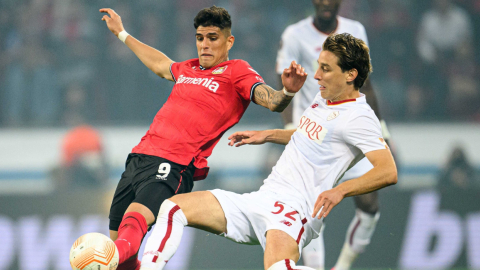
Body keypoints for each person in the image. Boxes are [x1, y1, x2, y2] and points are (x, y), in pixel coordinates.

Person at [139, 33, 397, 270]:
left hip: (295, 212)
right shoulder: (326, 97)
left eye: (326, 69)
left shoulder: (359, 117)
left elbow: (388, 170)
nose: (317, 75)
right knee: (173, 208)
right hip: (264, 197)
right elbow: (314, 137)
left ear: (351, 74)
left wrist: (340, 190)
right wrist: (268, 135)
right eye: (319, 65)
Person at [97, 6, 307, 270]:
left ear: (229, 41)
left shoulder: (236, 71)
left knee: (131, 225)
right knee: (121, 261)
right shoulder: (188, 68)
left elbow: (273, 101)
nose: (204, 45)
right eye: (200, 38)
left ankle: (101, 259)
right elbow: (161, 65)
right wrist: (122, 34)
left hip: (174, 164)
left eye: (212, 37)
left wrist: (286, 92)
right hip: (139, 157)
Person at [276, 1, 390, 269]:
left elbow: (366, 84)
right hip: (313, 134)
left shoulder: (356, 29)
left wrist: (382, 129)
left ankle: (342, 266)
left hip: (348, 129)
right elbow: (286, 85)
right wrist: (290, 129)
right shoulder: (294, 34)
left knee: (370, 205)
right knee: (313, 210)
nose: (326, 2)